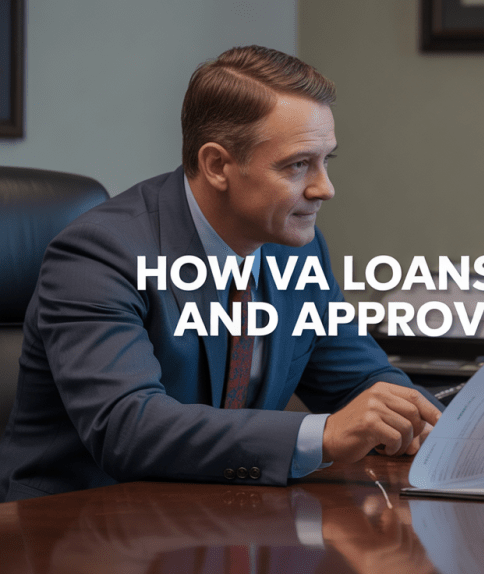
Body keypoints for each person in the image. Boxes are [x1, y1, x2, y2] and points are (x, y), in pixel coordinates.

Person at [0, 46, 441, 502]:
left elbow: (358, 380)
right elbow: (128, 428)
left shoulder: (296, 252)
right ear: (217, 165)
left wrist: (448, 429)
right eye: (297, 165)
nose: (324, 188)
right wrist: (323, 434)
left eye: (326, 160)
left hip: (222, 516)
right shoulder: (100, 254)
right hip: (74, 530)